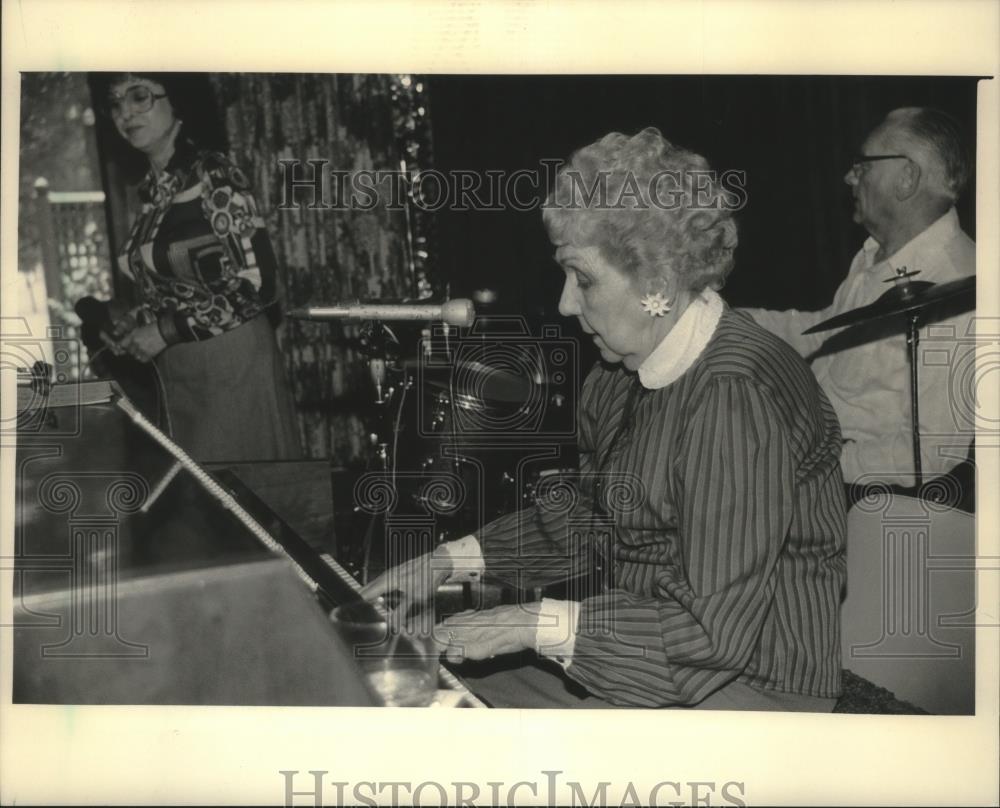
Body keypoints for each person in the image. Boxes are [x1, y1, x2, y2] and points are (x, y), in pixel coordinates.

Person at [362, 128, 847, 711]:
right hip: (655, 655)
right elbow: (590, 518)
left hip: (754, 683)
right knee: (433, 693)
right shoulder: (619, 374)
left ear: (658, 284)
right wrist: (446, 562)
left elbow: (712, 637)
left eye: (583, 278)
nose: (567, 303)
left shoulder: (734, 395)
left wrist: (536, 624)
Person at [743, 107, 975, 489]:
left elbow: (929, 454)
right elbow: (822, 332)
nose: (849, 176)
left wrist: (801, 468)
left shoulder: (959, 287)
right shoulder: (874, 254)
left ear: (907, 178)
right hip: (806, 435)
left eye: (863, 164)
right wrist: (719, 317)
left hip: (851, 492)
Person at [92, 73, 300, 462]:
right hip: (180, 368)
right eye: (116, 102)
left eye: (140, 97)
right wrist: (141, 319)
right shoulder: (152, 192)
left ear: (180, 102)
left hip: (230, 363)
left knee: (243, 504)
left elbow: (259, 285)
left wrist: (165, 330)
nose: (126, 112)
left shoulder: (214, 175)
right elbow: (186, 285)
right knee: (201, 507)